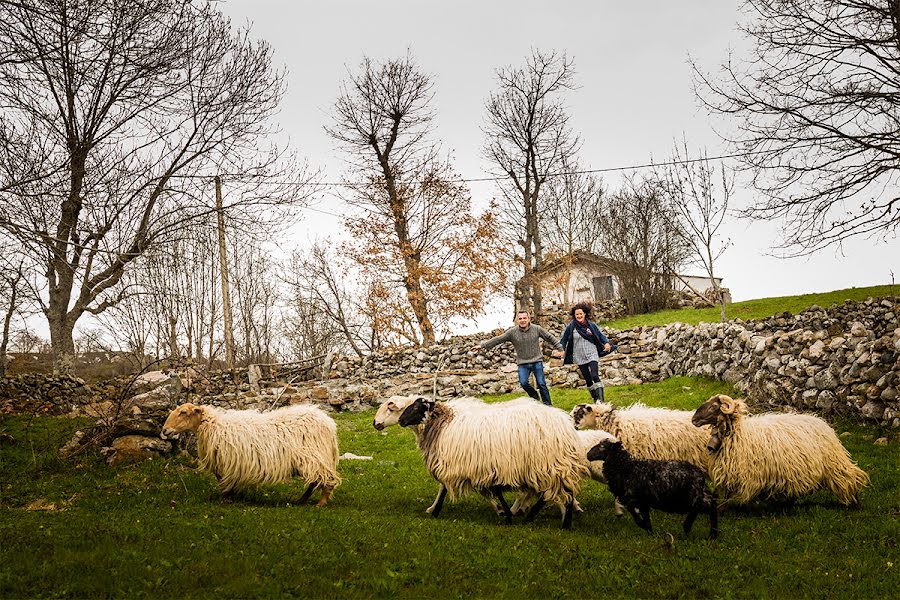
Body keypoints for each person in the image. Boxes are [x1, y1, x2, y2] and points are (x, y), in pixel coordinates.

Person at [471, 310, 563, 406]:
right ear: (517, 320)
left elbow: (549, 337)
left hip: (536, 361)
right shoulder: (512, 332)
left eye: (524, 318)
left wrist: (560, 349)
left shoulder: (537, 329)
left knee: (541, 384)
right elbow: (498, 339)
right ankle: (535, 397)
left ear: (529, 319)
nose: (522, 320)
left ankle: (548, 405)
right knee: (523, 383)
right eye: (520, 318)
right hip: (523, 363)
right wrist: (482, 346)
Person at [559, 301, 616, 403]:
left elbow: (601, 335)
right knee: (588, 380)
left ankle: (601, 402)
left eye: (581, 313)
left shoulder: (591, 325)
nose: (579, 316)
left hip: (591, 352)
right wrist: (561, 350)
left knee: (594, 375)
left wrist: (606, 343)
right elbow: (563, 339)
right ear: (574, 315)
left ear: (584, 313)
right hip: (579, 355)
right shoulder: (571, 327)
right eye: (577, 314)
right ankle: (596, 400)